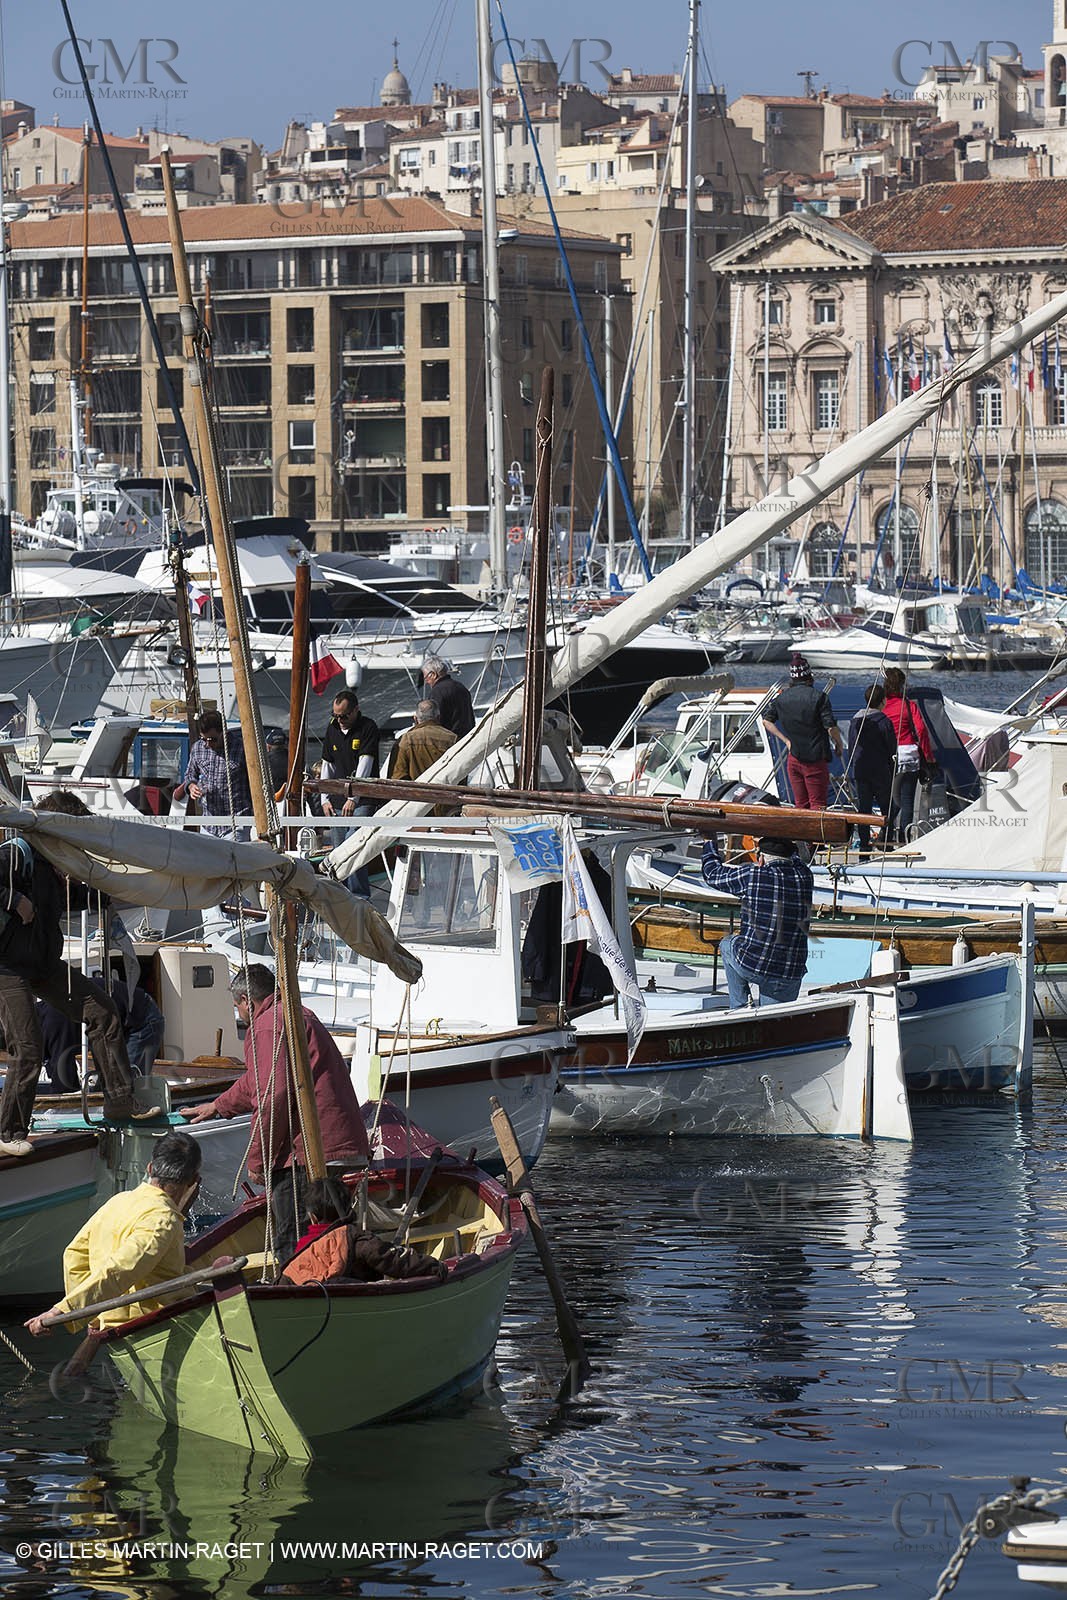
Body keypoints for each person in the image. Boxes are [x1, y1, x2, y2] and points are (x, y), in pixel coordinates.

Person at [0, 790, 158, 1157]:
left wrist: (113, 893)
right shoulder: (17, 854)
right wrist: (12, 900)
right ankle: (8, 1132)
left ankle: (119, 1101)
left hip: (40, 963)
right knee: (28, 1046)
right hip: (6, 966)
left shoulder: (52, 866)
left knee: (103, 1012)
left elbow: (67, 901)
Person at [182, 964, 370, 1264]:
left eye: (238, 1006)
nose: (240, 1014)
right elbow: (260, 1081)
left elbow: (272, 1095)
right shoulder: (295, 1014)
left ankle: (299, 1296)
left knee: (291, 1238)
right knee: (331, 1232)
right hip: (331, 1143)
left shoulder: (268, 1025)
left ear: (247, 1000)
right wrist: (218, 1106)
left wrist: (259, 1160)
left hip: (307, 1150)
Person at [23, 1130, 202, 1336]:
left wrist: (93, 1316)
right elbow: (121, 1268)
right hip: (150, 1324)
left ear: (150, 1168)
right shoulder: (163, 1219)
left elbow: (74, 1256)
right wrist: (63, 1311)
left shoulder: (119, 1200)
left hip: (111, 1321)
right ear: (193, 1180)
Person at [700, 834, 813, 1009]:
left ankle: (739, 1008)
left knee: (727, 943)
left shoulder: (753, 875)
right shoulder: (805, 876)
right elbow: (795, 858)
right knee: (775, 1022)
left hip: (754, 963)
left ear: (760, 860)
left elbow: (712, 873)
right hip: (789, 972)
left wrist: (709, 842)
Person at [281, 1175, 447, 1287]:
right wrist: (434, 1266)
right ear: (349, 1208)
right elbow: (389, 1258)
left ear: (312, 1218)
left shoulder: (300, 1250)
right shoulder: (352, 1236)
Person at [762, 655, 843, 811]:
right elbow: (830, 727)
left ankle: (801, 835)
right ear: (809, 676)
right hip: (815, 759)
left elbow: (766, 721)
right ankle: (815, 836)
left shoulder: (781, 698)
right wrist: (838, 744)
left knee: (801, 805)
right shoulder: (819, 698)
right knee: (818, 806)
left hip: (794, 758)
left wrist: (785, 740)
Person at [320, 690, 380, 898]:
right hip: (336, 799)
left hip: (362, 798)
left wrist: (353, 797)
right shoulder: (332, 728)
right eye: (336, 715)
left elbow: (366, 763)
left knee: (353, 844)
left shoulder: (368, 727)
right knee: (339, 849)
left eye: (344, 716)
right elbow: (327, 764)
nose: (340, 720)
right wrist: (324, 798)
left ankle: (360, 896)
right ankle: (341, 895)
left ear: (356, 710)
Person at [173, 711, 253, 839]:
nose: (208, 744)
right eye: (203, 739)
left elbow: (255, 783)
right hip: (209, 824)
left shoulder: (242, 748)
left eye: (212, 739)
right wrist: (191, 786)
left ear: (223, 732)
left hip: (237, 821)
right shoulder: (198, 748)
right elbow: (190, 774)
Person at [882, 667, 935, 845]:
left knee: (890, 799)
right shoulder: (908, 705)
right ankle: (904, 841)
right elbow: (921, 729)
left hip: (888, 757)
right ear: (902, 685)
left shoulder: (881, 707)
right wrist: (928, 757)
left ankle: (885, 834)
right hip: (909, 755)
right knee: (906, 800)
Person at [847, 684, 897, 855]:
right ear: (883, 701)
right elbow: (892, 748)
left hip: (861, 769)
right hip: (880, 770)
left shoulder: (855, 721)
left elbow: (851, 746)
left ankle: (864, 844)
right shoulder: (884, 721)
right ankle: (887, 842)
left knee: (864, 808)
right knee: (887, 807)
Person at [390, 700, 458, 812]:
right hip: (446, 809)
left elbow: (397, 778)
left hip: (416, 809)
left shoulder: (405, 740)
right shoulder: (453, 739)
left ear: (415, 719)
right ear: (438, 717)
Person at [421, 656, 475, 738]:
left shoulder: (437, 692)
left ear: (433, 675)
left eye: (426, 678)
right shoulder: (461, 687)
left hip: (449, 741)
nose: (426, 682)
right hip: (467, 738)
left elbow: (434, 722)